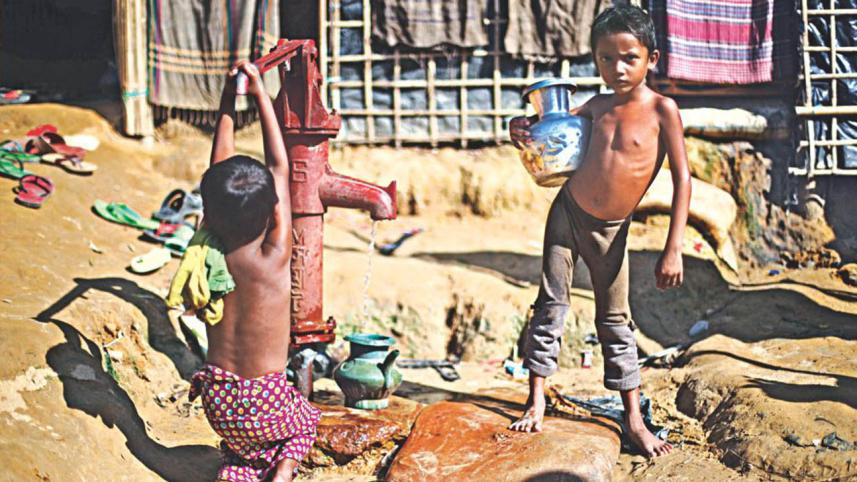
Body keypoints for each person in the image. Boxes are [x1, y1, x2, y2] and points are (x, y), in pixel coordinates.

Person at [508, 5, 690, 458]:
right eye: (606, 59)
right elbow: (547, 131)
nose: (617, 68)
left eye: (629, 57)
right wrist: (521, 130)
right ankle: (535, 401)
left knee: (614, 321)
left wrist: (674, 249)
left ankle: (633, 420)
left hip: (612, 232)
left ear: (653, 58)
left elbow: (683, 179)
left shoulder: (662, 110)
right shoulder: (594, 105)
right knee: (550, 305)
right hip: (567, 214)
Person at [188, 61, 320, 481]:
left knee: (242, 450)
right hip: (268, 404)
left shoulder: (210, 247)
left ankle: (240, 470)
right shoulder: (274, 254)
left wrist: (229, 99)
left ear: (208, 211)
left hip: (219, 403)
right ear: (274, 213)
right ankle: (281, 474)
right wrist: (261, 93)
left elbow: (218, 167)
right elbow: (281, 168)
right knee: (307, 421)